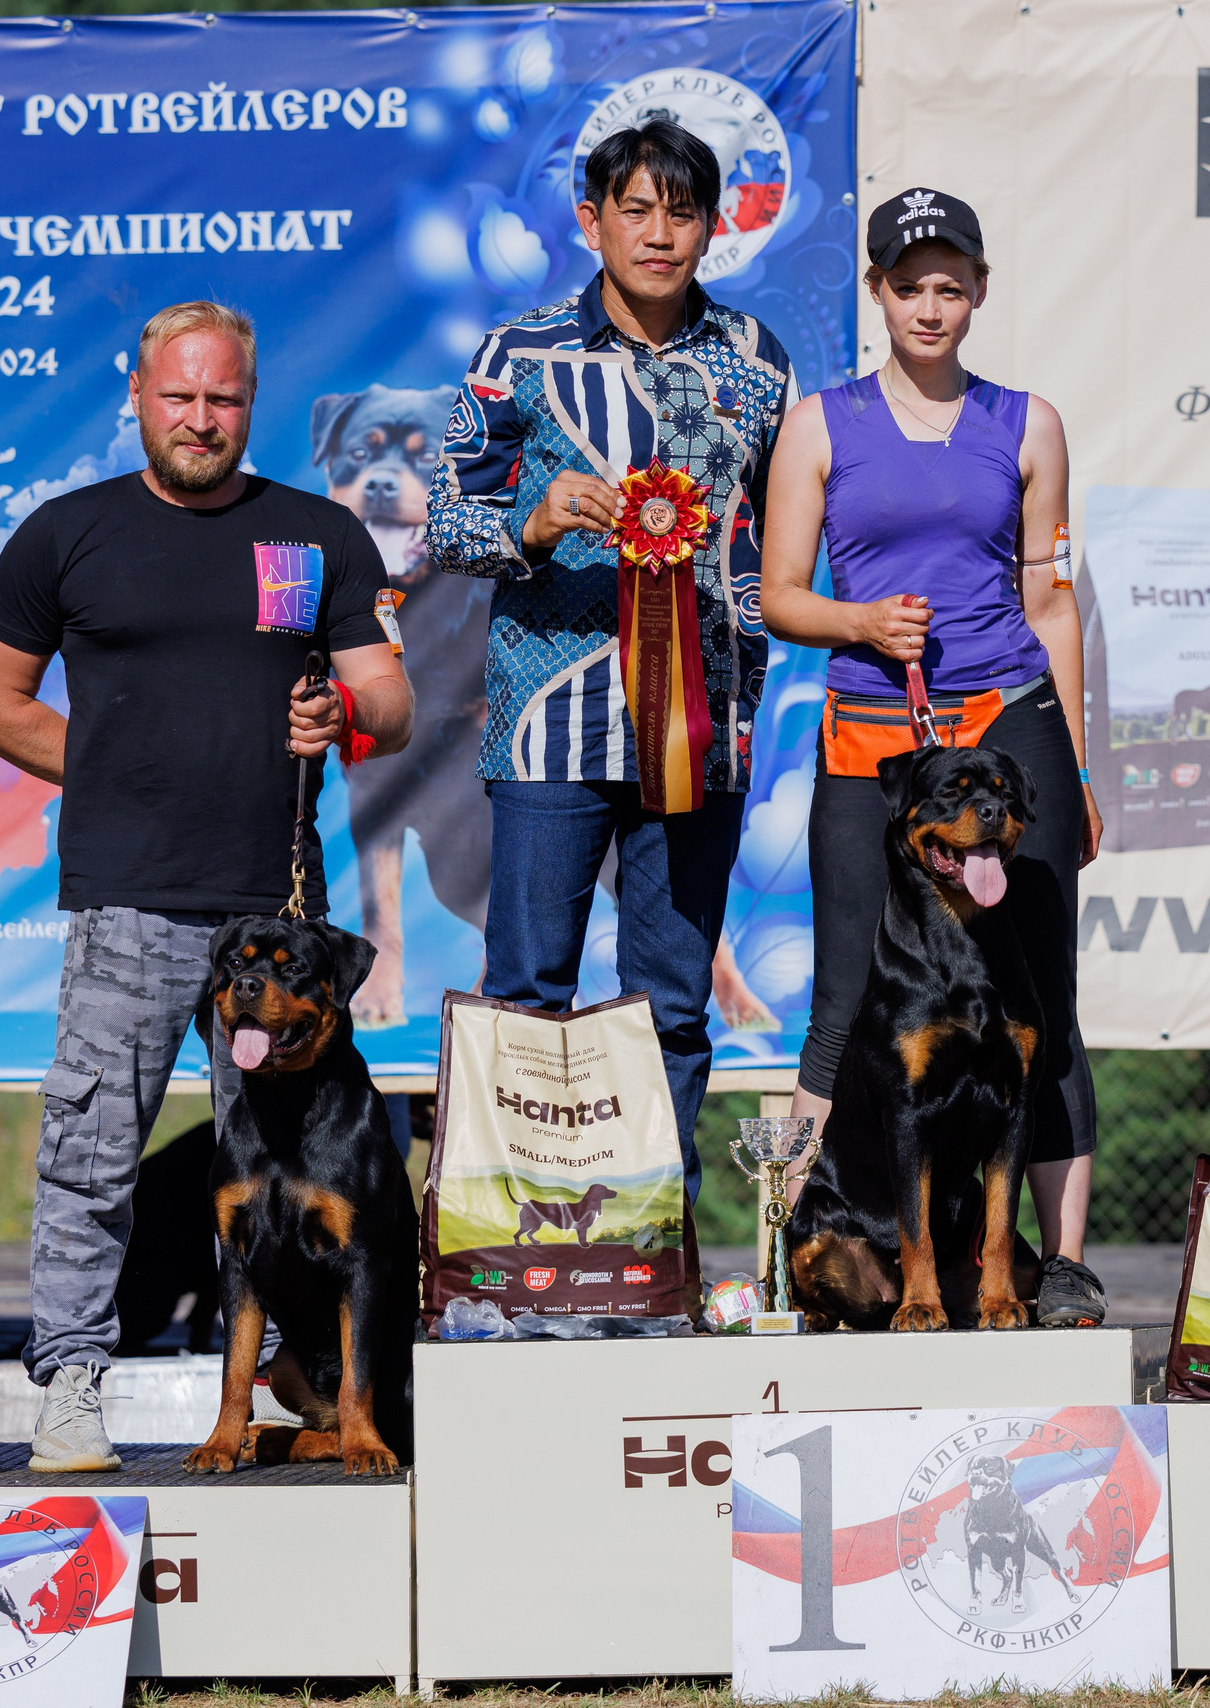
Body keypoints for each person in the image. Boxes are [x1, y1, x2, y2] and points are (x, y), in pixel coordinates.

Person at [0, 300, 412, 1471]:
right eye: (179, 397)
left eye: (222, 399)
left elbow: (392, 703)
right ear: (138, 396)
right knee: (90, 1160)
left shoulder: (317, 535)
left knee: (294, 1185)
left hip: (278, 928)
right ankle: (66, 1387)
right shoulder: (68, 535)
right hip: (128, 911)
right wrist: (116, 771)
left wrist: (339, 710)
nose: (200, 419)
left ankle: (286, 1392)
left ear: (250, 403)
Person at [423, 119, 795, 1228]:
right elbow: (447, 515)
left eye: (681, 212)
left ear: (712, 226)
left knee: (672, 1008)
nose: (659, 233)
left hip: (703, 727)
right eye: (634, 209)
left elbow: (784, 530)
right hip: (549, 721)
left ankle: (651, 1251)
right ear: (591, 220)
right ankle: (503, 1251)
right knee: (528, 998)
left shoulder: (757, 361)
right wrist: (529, 523)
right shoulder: (517, 352)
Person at [757, 187, 1108, 1328]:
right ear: (877, 293)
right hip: (874, 731)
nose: (929, 304)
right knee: (842, 998)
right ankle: (795, 1236)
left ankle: (1058, 1264)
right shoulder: (819, 424)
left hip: (1008, 722)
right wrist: (860, 624)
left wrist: (1077, 762)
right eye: (909, 285)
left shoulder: (1029, 422)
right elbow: (777, 598)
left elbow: (1049, 601)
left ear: (979, 293)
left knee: (1038, 999)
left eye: (950, 285)